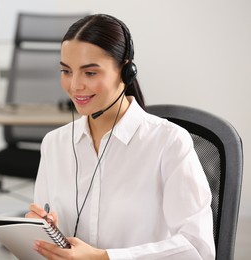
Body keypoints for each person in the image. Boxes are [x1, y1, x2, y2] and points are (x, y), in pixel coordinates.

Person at [26, 14, 215, 259]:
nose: (74, 86)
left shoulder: (168, 142)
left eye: (90, 73)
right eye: (66, 71)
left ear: (126, 72)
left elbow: (198, 249)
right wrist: (40, 232)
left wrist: (104, 257)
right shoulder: (54, 144)